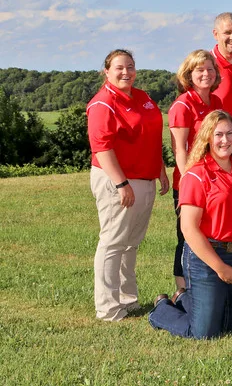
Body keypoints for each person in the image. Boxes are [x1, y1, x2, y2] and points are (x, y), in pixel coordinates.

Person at [149, 110, 232, 338]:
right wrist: (219, 268)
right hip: (207, 258)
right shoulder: (196, 175)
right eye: (218, 134)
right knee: (204, 333)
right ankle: (161, 310)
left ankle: (184, 298)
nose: (225, 140)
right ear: (207, 138)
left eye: (230, 134)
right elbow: (188, 228)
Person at [87, 49, 170, 321]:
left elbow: (152, 137)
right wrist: (121, 183)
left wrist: (160, 171)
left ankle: (128, 299)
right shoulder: (103, 103)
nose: (126, 73)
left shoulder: (143, 97)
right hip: (118, 180)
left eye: (131, 67)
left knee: (131, 243)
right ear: (107, 72)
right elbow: (102, 148)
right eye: (120, 68)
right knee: (113, 242)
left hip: (144, 179)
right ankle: (108, 308)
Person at [168, 50, 223, 291]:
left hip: (214, 181)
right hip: (190, 183)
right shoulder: (183, 105)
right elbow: (179, 149)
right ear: (189, 74)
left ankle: (204, 283)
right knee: (186, 237)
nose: (206, 74)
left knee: (208, 234)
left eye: (210, 69)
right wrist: (189, 183)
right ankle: (182, 290)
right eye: (200, 70)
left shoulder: (216, 102)